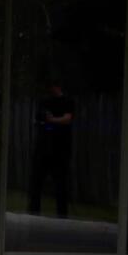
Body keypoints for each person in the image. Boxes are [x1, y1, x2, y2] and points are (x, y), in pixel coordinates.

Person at [29, 77, 77, 220]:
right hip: (44, 146)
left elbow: (67, 118)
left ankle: (62, 215)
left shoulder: (67, 101)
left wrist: (52, 120)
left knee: (60, 183)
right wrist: (46, 121)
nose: (50, 90)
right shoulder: (44, 102)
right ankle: (33, 213)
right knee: (37, 180)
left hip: (60, 148)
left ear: (57, 87)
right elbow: (38, 119)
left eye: (52, 87)